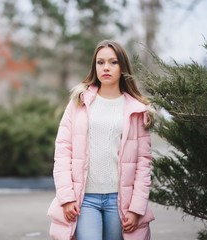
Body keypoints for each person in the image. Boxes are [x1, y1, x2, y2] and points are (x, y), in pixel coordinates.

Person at [47, 40, 155, 240]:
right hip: (84, 200)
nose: (106, 67)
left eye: (113, 62)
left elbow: (143, 163)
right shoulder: (79, 103)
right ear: (94, 66)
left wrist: (136, 208)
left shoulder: (136, 110)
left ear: (122, 67)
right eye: (100, 62)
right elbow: (62, 152)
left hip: (120, 201)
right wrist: (66, 197)